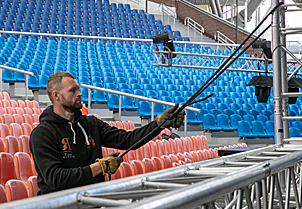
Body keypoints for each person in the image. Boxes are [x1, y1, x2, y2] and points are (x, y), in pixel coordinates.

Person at [30, 72, 185, 196]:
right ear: (56, 95)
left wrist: (158, 124)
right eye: (73, 90)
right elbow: (55, 178)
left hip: (91, 205)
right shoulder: (42, 134)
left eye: (78, 89)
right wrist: (99, 167)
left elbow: (128, 140)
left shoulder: (91, 124)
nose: (80, 94)